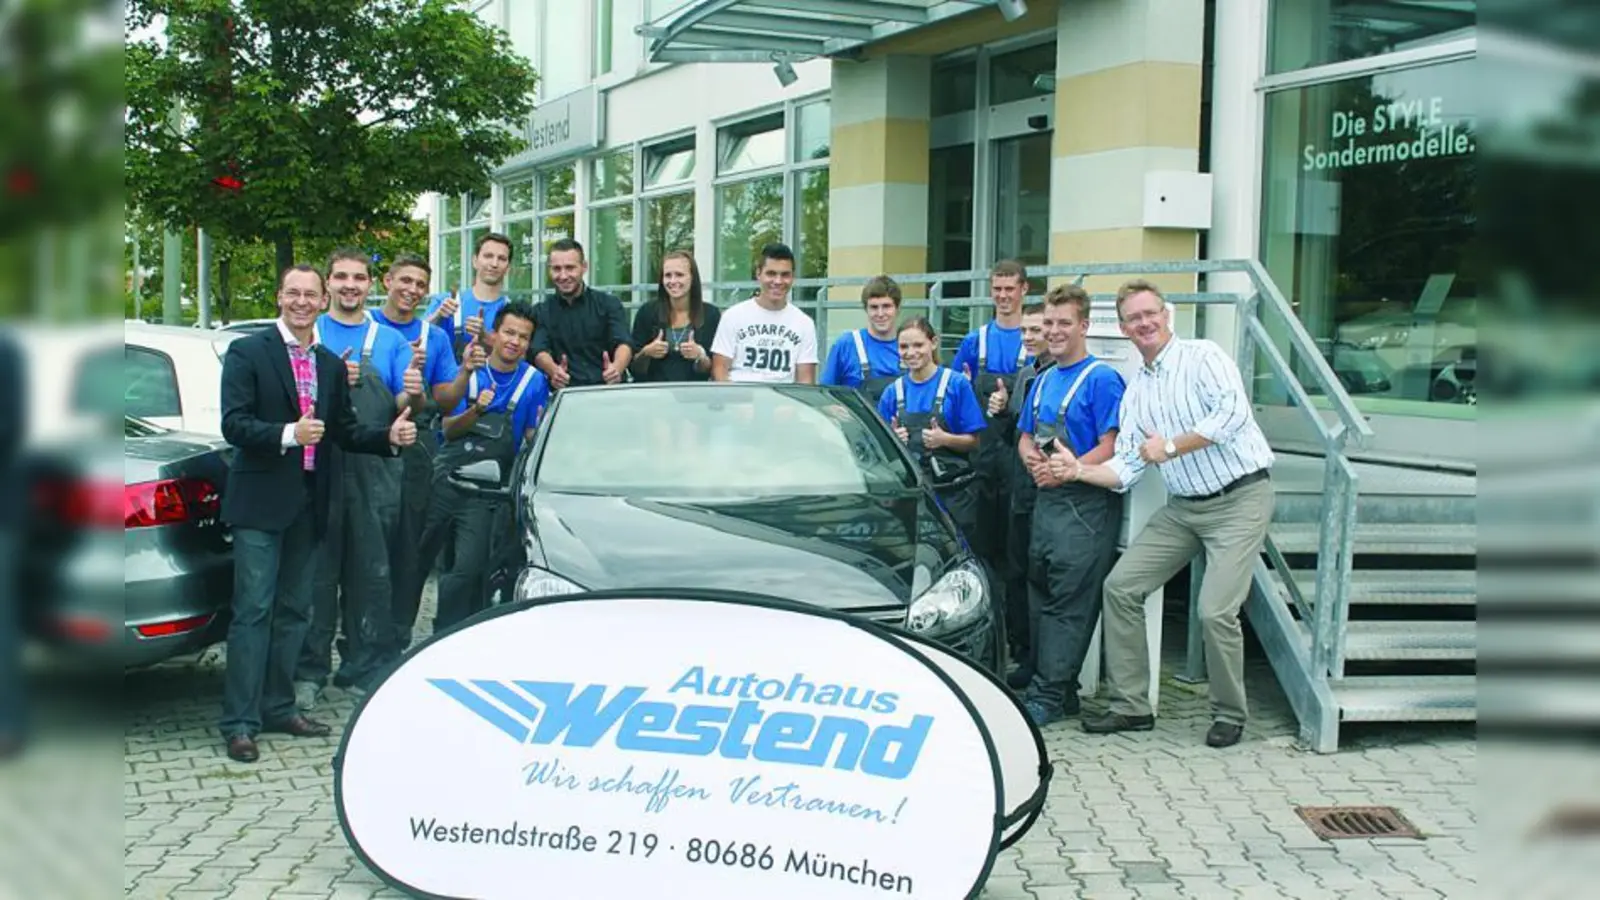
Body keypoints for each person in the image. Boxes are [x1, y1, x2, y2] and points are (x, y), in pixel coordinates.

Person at [1055, 279, 1275, 749]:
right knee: (1120, 587)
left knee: (1215, 611)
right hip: (1184, 510)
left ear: (1166, 315)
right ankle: (1132, 707)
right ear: (1124, 329)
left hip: (1240, 500)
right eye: (1134, 319)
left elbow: (1232, 415)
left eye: (1150, 313)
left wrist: (1171, 447)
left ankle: (1229, 713)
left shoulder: (1204, 356)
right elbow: (1128, 466)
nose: (1144, 323)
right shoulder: (1137, 392)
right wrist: (1077, 470)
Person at [217, 264, 418, 764]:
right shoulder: (249, 352)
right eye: (293, 293)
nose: (302, 302)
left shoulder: (327, 363)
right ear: (279, 297)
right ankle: (240, 722)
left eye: (311, 294)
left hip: (311, 502)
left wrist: (387, 439)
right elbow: (234, 424)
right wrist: (289, 434)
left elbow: (345, 430)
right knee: (254, 611)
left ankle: (280, 706)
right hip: (261, 504)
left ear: (321, 297)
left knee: (295, 612)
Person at [292, 249, 421, 711]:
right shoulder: (311, 334)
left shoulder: (389, 341)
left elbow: (405, 404)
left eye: (359, 278)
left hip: (374, 474)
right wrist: (328, 380)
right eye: (342, 277)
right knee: (316, 578)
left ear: (372, 285)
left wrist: (413, 391)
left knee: (372, 574)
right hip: (319, 470)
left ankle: (365, 666)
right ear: (328, 285)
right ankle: (308, 671)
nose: (351, 285)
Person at [1013, 285, 1126, 726]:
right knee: (1038, 593)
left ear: (1084, 326)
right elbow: (1024, 436)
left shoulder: (1100, 379)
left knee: (1068, 604)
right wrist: (1035, 465)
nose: (1055, 331)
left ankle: (1049, 695)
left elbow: (1113, 443)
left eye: (1064, 323)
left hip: (1085, 507)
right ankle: (1062, 689)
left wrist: (1071, 468)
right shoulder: (1042, 379)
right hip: (1046, 503)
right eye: (1049, 323)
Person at [370, 253, 481, 663]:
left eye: (420, 284)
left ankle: (397, 637)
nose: (411, 290)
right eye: (405, 281)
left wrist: (465, 372)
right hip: (365, 449)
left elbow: (447, 399)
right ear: (387, 281)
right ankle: (360, 642)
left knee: (409, 548)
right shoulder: (369, 329)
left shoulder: (432, 338)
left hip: (416, 450)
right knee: (367, 548)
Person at [428, 301, 549, 632]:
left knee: (470, 569)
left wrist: (545, 433)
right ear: (494, 334)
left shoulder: (534, 381)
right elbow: (447, 429)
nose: (515, 342)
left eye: (524, 337)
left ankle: (454, 633)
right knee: (417, 560)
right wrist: (476, 411)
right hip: (446, 480)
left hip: (488, 490)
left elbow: (530, 436)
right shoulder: (469, 370)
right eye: (509, 332)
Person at [950, 260, 1034, 623]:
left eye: (1009, 289)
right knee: (981, 546)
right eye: (997, 289)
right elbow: (953, 391)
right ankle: (984, 622)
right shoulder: (975, 340)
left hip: (1020, 458)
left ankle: (1017, 632)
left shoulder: (1034, 337)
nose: (1003, 296)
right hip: (982, 460)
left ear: (1024, 290)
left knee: (1017, 551)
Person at [877, 317, 987, 536]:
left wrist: (945, 440)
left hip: (954, 496)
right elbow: (879, 452)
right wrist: (893, 441)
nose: (911, 352)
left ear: (933, 343)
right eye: (904, 346)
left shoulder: (956, 384)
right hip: (912, 495)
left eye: (918, 345)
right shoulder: (893, 392)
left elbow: (975, 442)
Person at [991, 302, 1051, 687]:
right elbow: (1016, 430)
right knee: (1015, 573)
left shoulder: (1060, 374)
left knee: (1039, 577)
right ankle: (1023, 653)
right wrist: (1000, 409)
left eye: (1036, 330)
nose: (1028, 337)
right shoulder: (1026, 374)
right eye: (1024, 332)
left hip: (1050, 488)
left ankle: (1040, 662)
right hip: (1019, 486)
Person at [530, 239, 633, 390]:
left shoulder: (609, 304)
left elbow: (624, 343)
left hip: (608, 390)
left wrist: (616, 368)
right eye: (556, 269)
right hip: (566, 395)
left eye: (570, 268)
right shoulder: (541, 311)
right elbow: (539, 350)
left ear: (584, 267)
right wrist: (553, 371)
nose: (563, 276)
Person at [710, 243, 818, 384]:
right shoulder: (733, 316)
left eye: (785, 275)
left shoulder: (804, 324)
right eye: (771, 274)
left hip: (783, 401)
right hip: (740, 399)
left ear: (793, 277)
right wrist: (734, 403)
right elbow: (719, 371)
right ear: (758, 274)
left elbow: (806, 381)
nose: (778, 281)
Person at [630, 250, 720, 383]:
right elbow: (633, 367)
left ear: (692, 277)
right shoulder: (647, 312)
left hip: (695, 395)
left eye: (679, 275)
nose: (673, 281)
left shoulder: (710, 314)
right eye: (668, 275)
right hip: (654, 394)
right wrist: (646, 352)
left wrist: (700, 356)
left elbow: (713, 370)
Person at [422, 232, 513, 361]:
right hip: (450, 380)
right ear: (475, 261)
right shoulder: (446, 301)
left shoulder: (511, 310)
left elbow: (519, 357)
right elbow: (416, 338)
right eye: (488, 256)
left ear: (508, 268)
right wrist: (437, 316)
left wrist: (485, 336)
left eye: (502, 259)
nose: (494, 263)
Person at [820, 275, 903, 404]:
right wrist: (833, 408)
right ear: (866, 309)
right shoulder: (846, 345)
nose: (880, 314)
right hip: (858, 422)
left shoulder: (910, 347)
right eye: (874, 307)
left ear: (897, 309)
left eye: (886, 306)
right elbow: (825, 394)